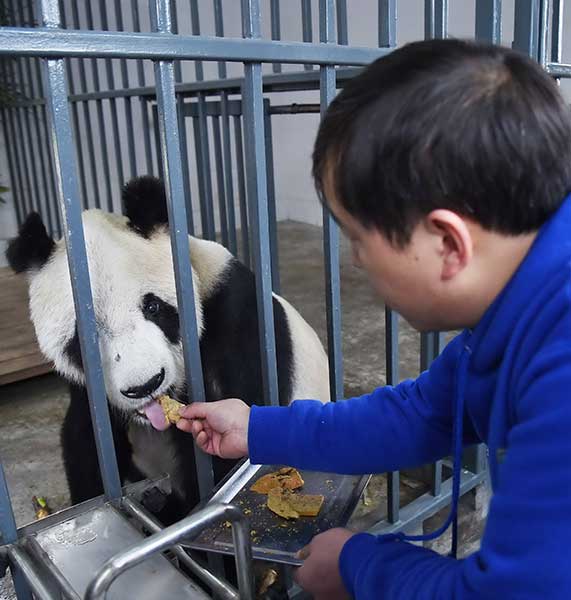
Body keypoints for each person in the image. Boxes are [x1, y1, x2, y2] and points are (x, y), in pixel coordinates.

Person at [177, 39, 571, 599]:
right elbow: (426, 413)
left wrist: (361, 567)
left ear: (446, 244)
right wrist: (258, 428)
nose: (355, 262)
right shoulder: (525, 296)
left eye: (358, 240)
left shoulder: (562, 367)